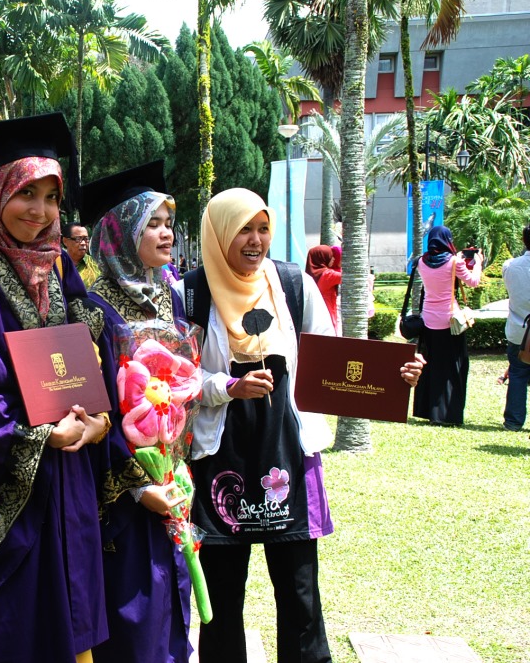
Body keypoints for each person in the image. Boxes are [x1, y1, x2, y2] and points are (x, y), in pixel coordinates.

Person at [183, 188, 423, 663]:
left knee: (299, 589)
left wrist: (395, 375)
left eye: (263, 228)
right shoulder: (192, 292)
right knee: (223, 591)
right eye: (243, 230)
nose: (255, 240)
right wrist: (227, 387)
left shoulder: (294, 285)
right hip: (220, 455)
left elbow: (333, 359)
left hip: (287, 452)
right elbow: (178, 376)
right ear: (219, 234)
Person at [0, 113, 109, 663]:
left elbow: (87, 344)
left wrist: (98, 419)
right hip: (15, 481)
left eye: (51, 197)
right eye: (25, 194)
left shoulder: (57, 260)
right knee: (17, 627)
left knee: (71, 615)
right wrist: (42, 437)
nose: (39, 211)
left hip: (70, 470)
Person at [77, 161, 194, 663]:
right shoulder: (91, 307)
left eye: (169, 223)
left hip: (171, 477)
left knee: (174, 605)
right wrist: (139, 487)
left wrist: (174, 467)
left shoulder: (169, 298)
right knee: (135, 616)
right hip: (123, 494)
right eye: (153, 224)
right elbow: (94, 405)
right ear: (121, 233)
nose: (167, 234)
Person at [413, 225, 482, 426]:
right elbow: (473, 282)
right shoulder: (454, 262)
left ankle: (427, 410)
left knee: (430, 367)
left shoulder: (421, 262)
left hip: (428, 320)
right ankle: (447, 414)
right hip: (450, 322)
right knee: (453, 367)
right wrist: (478, 262)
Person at [501, 225, 530, 431]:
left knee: (518, 375)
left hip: (518, 331)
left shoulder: (509, 266)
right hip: (519, 330)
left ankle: (513, 421)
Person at [304, 245, 342, 333]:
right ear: (322, 258)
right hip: (327, 313)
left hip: (313, 314)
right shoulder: (327, 275)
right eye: (330, 256)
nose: (333, 259)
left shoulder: (309, 275)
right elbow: (348, 277)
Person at [63, 220, 102, 288]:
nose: (83, 243)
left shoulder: (96, 264)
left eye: (86, 239)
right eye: (78, 239)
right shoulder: (57, 263)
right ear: (65, 241)